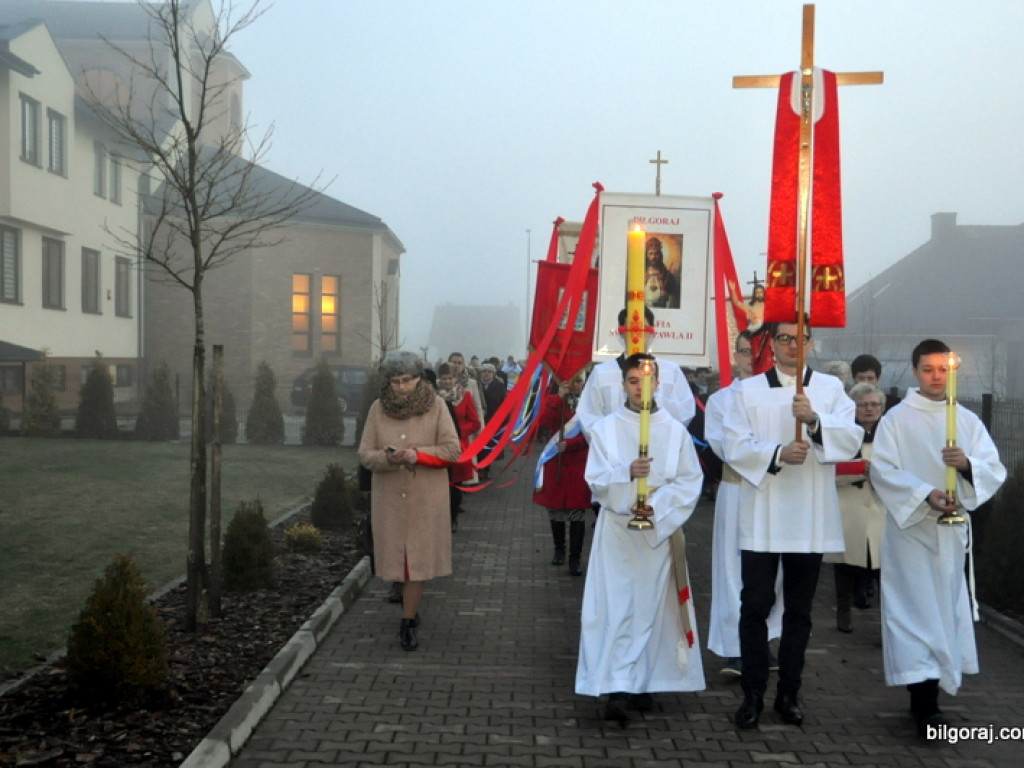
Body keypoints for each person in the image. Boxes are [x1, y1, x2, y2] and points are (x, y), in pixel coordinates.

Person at [723, 320, 863, 728]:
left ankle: (789, 692)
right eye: (782, 338)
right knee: (756, 605)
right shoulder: (747, 391)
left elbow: (852, 436)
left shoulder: (830, 390)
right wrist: (778, 452)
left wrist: (816, 421)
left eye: (797, 339)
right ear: (772, 344)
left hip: (809, 515)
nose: (790, 345)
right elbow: (734, 443)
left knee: (799, 611)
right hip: (763, 512)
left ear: (810, 342)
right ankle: (752, 694)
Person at [870, 338, 1006, 737]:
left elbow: (992, 468)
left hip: (949, 536)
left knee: (943, 610)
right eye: (927, 369)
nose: (935, 377)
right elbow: (883, 470)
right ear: (914, 371)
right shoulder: (896, 419)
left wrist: (965, 467)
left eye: (942, 370)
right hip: (911, 533)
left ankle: (933, 697)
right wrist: (925, 494)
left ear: (952, 373)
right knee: (914, 612)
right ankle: (923, 701)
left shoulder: (966, 420)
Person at [576, 354, 706, 722]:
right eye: (633, 381)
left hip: (657, 535)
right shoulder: (606, 429)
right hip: (617, 535)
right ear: (623, 384)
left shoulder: (675, 431)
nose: (639, 388)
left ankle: (643, 680)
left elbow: (689, 480)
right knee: (616, 606)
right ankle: (617, 684)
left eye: (646, 381)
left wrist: (658, 506)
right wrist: (626, 473)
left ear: (658, 384)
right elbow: (597, 480)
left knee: (652, 608)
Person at [358, 352, 461, 651]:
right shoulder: (378, 409)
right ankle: (410, 612)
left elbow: (452, 450)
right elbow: (365, 454)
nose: (400, 387)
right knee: (399, 562)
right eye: (394, 382)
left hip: (425, 498)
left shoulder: (437, 406)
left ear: (419, 379)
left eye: (406, 381)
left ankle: (407, 621)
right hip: (389, 499)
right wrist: (387, 459)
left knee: (414, 562)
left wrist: (418, 454)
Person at [705, 331, 783, 677]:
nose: (749, 358)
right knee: (732, 568)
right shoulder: (722, 400)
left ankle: (765, 639)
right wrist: (766, 452)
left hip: (776, 491)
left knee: (773, 570)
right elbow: (725, 448)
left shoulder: (780, 396)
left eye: (756, 352)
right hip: (738, 490)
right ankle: (736, 646)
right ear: (734, 356)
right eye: (743, 351)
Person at [576, 306, 696, 439]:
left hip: (658, 446)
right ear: (621, 332)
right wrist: (610, 443)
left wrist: (660, 436)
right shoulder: (602, 372)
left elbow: (684, 412)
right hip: (615, 449)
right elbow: (588, 415)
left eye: (643, 328)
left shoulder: (671, 371)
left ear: (652, 332)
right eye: (631, 328)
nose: (637, 334)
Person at [823, 382, 887, 633]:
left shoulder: (890, 435)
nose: (869, 410)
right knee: (846, 565)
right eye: (862, 405)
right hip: (848, 506)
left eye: (874, 404)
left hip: (881, 508)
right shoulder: (844, 435)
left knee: (882, 566)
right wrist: (860, 471)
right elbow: (828, 471)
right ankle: (843, 612)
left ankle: (886, 622)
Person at [533, 373, 590, 575]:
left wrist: (572, 444)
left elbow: (595, 433)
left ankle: (575, 558)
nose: (576, 385)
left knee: (577, 514)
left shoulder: (590, 403)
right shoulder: (554, 400)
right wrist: (558, 397)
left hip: (578, 464)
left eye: (579, 381)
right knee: (556, 511)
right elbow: (546, 422)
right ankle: (559, 550)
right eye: (572, 381)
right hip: (555, 461)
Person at [437, 362, 482, 531]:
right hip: (438, 446)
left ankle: (453, 517)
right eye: (444, 379)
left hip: (459, 446)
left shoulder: (465, 396)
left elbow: (475, 422)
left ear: (456, 378)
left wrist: (457, 431)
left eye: (450, 378)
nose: (447, 382)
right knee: (440, 485)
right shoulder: (433, 397)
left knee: (455, 485)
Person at [476, 363, 507, 478]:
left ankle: (486, 468)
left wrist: (503, 422)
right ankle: (479, 468)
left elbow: (504, 404)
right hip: (479, 421)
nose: (486, 374)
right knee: (479, 446)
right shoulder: (477, 385)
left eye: (489, 372)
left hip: (493, 421)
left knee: (489, 447)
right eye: (484, 371)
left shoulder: (499, 386)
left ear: (493, 374)